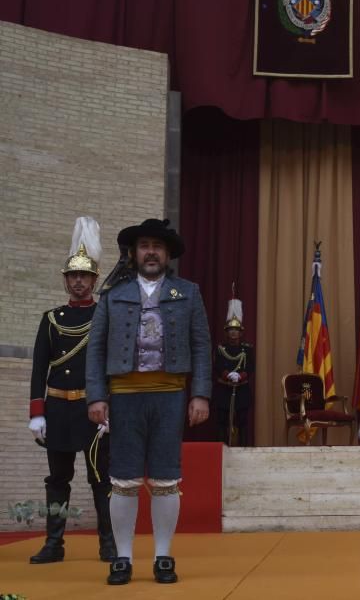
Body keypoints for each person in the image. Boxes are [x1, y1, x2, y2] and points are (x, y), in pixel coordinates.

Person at [85, 218, 211, 585]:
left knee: (165, 477)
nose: (151, 252)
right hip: (124, 396)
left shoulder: (187, 292)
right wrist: (96, 395)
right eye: (144, 246)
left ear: (168, 254)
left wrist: (200, 393)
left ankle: (163, 555)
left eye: (158, 246)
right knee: (123, 478)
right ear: (133, 253)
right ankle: (122, 557)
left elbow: (202, 346)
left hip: (171, 394)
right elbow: (95, 350)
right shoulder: (112, 296)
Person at [28, 217, 116, 564]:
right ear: (66, 279)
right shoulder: (51, 319)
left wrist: (110, 407)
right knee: (57, 480)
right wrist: (37, 413)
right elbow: (39, 369)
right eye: (73, 276)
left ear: (94, 279)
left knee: (100, 479)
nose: (78, 281)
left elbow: (111, 368)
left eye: (85, 276)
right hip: (59, 412)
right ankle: (54, 544)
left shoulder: (103, 317)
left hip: (92, 411)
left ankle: (107, 543)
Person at [212, 296, 254, 446]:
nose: (233, 333)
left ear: (241, 332)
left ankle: (243, 449)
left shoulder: (247, 349)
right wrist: (227, 374)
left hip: (241, 389)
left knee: (243, 422)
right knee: (221, 422)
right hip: (224, 388)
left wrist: (240, 376)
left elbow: (250, 367)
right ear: (226, 332)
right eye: (231, 330)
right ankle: (221, 449)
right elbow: (217, 366)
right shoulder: (220, 349)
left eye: (236, 330)